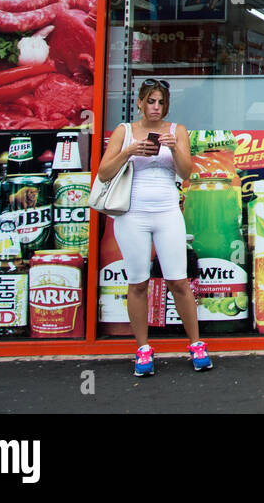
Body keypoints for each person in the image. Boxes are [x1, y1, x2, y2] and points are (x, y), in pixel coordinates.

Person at [95, 78, 211, 376]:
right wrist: (130, 151)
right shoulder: (124, 131)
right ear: (140, 103)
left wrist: (174, 150)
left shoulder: (177, 131)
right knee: (138, 282)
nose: (155, 107)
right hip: (131, 214)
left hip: (167, 212)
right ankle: (143, 349)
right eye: (150, 101)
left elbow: (186, 174)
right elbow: (104, 172)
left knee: (178, 281)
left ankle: (196, 344)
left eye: (160, 102)